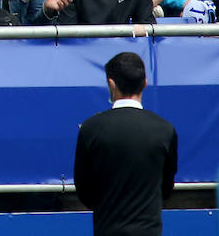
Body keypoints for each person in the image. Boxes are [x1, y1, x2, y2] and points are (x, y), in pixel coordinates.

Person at [73, 52, 179, 236]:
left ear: (111, 84)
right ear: (145, 83)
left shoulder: (91, 128)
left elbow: (85, 191)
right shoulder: (165, 129)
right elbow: (166, 188)